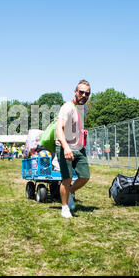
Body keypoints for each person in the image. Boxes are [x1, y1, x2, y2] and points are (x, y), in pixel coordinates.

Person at [56, 79, 91, 218]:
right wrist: (65, 148)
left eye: (87, 93)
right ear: (75, 92)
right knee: (67, 178)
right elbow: (59, 129)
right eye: (81, 92)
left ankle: (70, 192)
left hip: (79, 148)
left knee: (85, 177)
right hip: (65, 147)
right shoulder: (67, 107)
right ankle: (65, 207)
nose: (83, 95)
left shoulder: (85, 109)